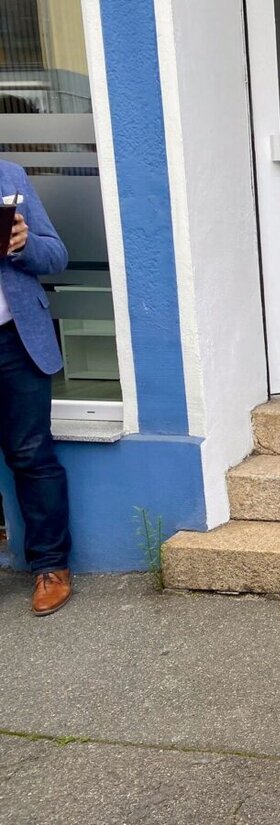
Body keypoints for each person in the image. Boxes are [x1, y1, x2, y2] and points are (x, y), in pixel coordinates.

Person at [0, 160, 73, 616]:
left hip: (14, 341)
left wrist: (23, 246)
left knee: (31, 454)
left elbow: (56, 255)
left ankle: (51, 566)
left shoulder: (9, 175)